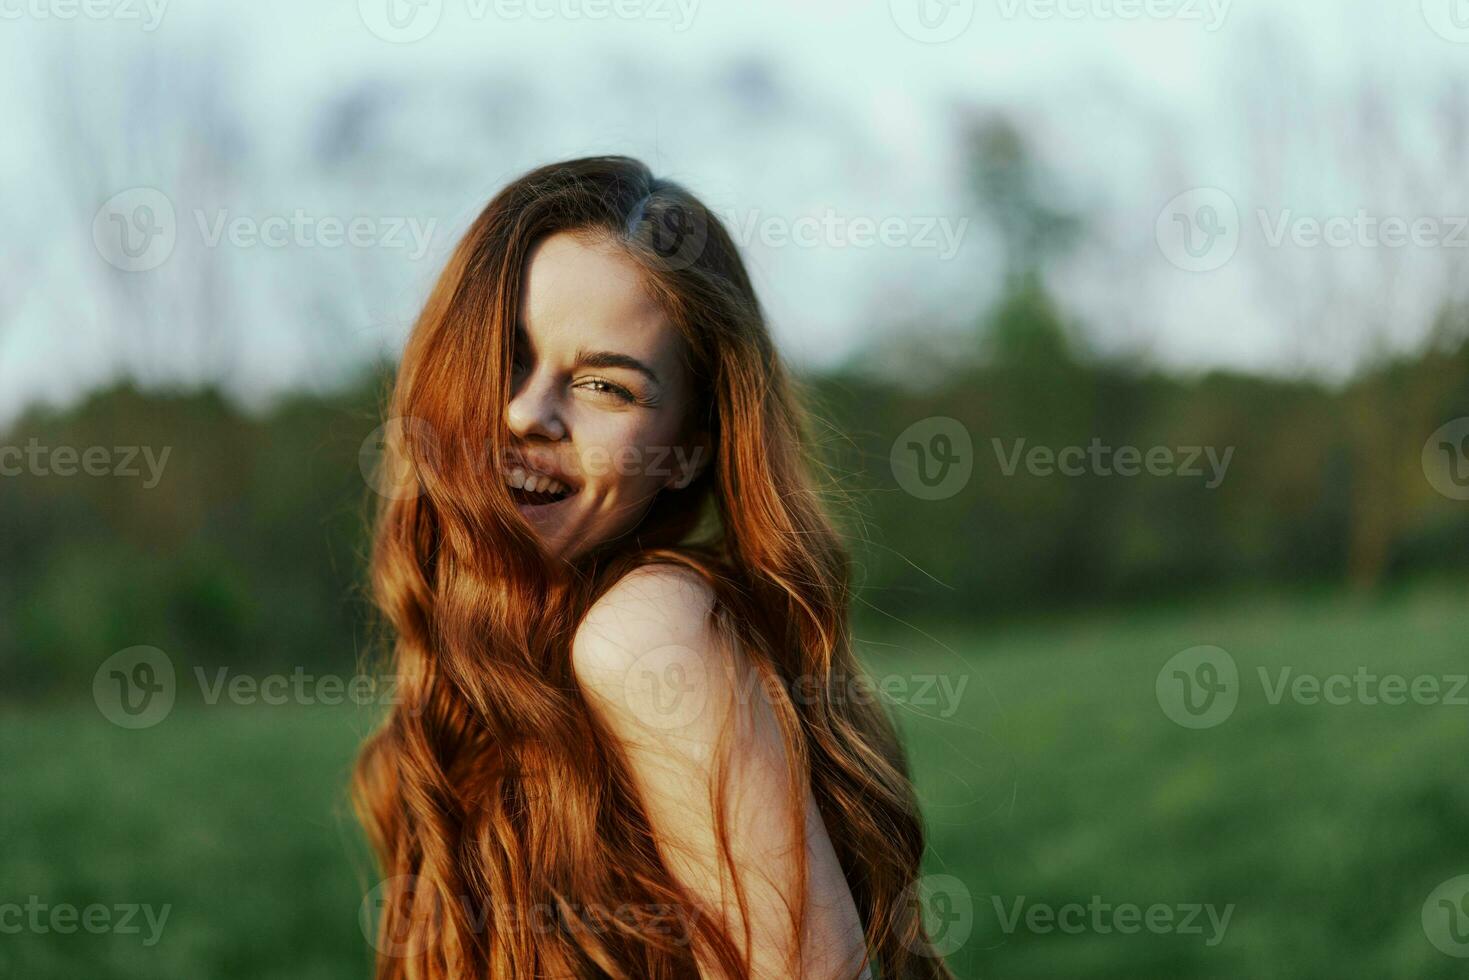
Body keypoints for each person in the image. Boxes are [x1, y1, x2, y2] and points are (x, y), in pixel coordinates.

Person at [353, 156, 951, 979]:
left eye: (605, 385)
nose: (529, 412)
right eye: (507, 354)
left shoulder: (647, 632)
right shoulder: (482, 658)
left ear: (688, 451)